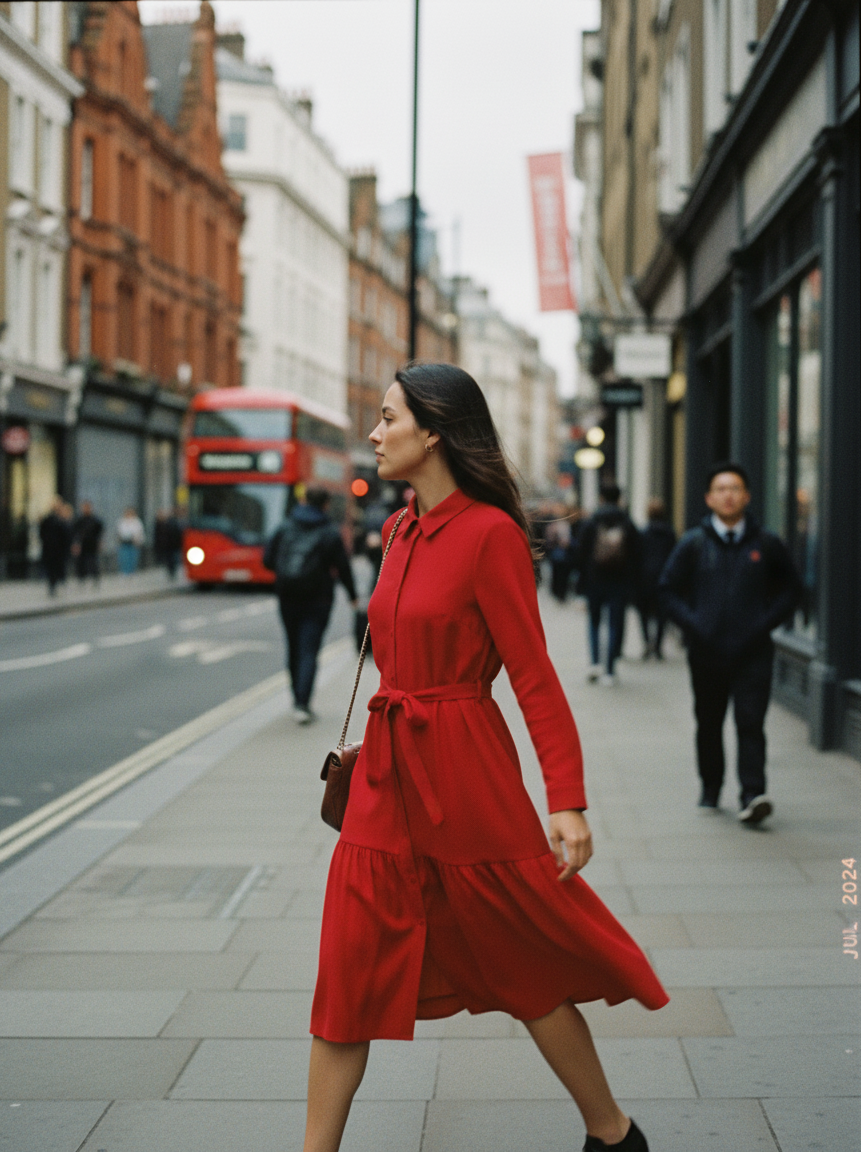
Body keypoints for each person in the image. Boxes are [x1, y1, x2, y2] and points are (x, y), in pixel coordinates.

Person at [305, 364, 666, 1152]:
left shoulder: (491, 535)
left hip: (467, 772)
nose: (374, 432)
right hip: (385, 773)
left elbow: (533, 675)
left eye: (388, 417)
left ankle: (612, 1132)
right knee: (348, 965)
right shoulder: (398, 528)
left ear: (433, 430)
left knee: (521, 957)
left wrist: (565, 798)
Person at [659, 462, 801, 825]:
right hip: (706, 653)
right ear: (709, 498)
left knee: (750, 723)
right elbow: (667, 591)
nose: (728, 495)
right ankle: (710, 787)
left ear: (747, 496)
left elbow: (791, 591)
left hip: (753, 652)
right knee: (709, 722)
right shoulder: (693, 543)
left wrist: (763, 624)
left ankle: (753, 794)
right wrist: (695, 626)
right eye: (721, 489)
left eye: (735, 488)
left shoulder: (766, 543)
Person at [263, 486, 358, 724]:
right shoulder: (329, 532)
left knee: (293, 647)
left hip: (288, 598)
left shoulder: (285, 526)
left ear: (304, 500)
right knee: (309, 650)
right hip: (318, 600)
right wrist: (352, 595)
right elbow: (343, 567)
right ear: (325, 504)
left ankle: (296, 698)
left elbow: (267, 560)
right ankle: (303, 704)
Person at [575, 484, 640, 685]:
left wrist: (581, 582)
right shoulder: (627, 522)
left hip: (595, 581)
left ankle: (595, 663)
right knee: (614, 624)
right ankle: (610, 671)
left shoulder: (591, 522)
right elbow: (637, 553)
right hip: (619, 582)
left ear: (601, 498)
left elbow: (580, 552)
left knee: (594, 622)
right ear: (619, 499)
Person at [636, 499, 676, 660]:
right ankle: (658, 646)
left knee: (644, 613)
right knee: (661, 615)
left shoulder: (643, 533)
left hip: (645, 578)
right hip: (663, 577)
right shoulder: (669, 533)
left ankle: (647, 643)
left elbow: (638, 556)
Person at [39, 497, 73, 595]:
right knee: (53, 568)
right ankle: (54, 585)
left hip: (55, 549)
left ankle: (55, 584)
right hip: (53, 549)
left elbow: (66, 535)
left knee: (55, 568)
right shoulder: (52, 520)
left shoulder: (59, 520)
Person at [544, 501, 574, 603]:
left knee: (562, 574)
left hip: (563, 554)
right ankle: (557, 592)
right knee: (557, 573)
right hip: (557, 553)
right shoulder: (553, 524)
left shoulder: (567, 523)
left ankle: (560, 592)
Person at [72, 500, 104, 586]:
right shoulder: (79, 520)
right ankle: (81, 578)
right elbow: (76, 532)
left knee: (93, 562)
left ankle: (95, 578)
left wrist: (99, 542)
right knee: (81, 562)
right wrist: (76, 543)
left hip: (92, 544)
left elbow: (99, 532)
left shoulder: (95, 520)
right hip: (82, 544)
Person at [153, 507, 184, 580]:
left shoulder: (176, 522)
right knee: (171, 560)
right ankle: (172, 572)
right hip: (170, 545)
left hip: (173, 545)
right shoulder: (166, 523)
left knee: (172, 560)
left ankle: (172, 572)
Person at [116, 507, 145, 575]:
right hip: (124, 541)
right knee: (124, 557)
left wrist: (138, 539)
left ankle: (132, 570)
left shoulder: (137, 521)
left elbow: (139, 531)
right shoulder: (121, 521)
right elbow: (119, 531)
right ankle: (124, 571)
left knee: (133, 557)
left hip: (133, 541)